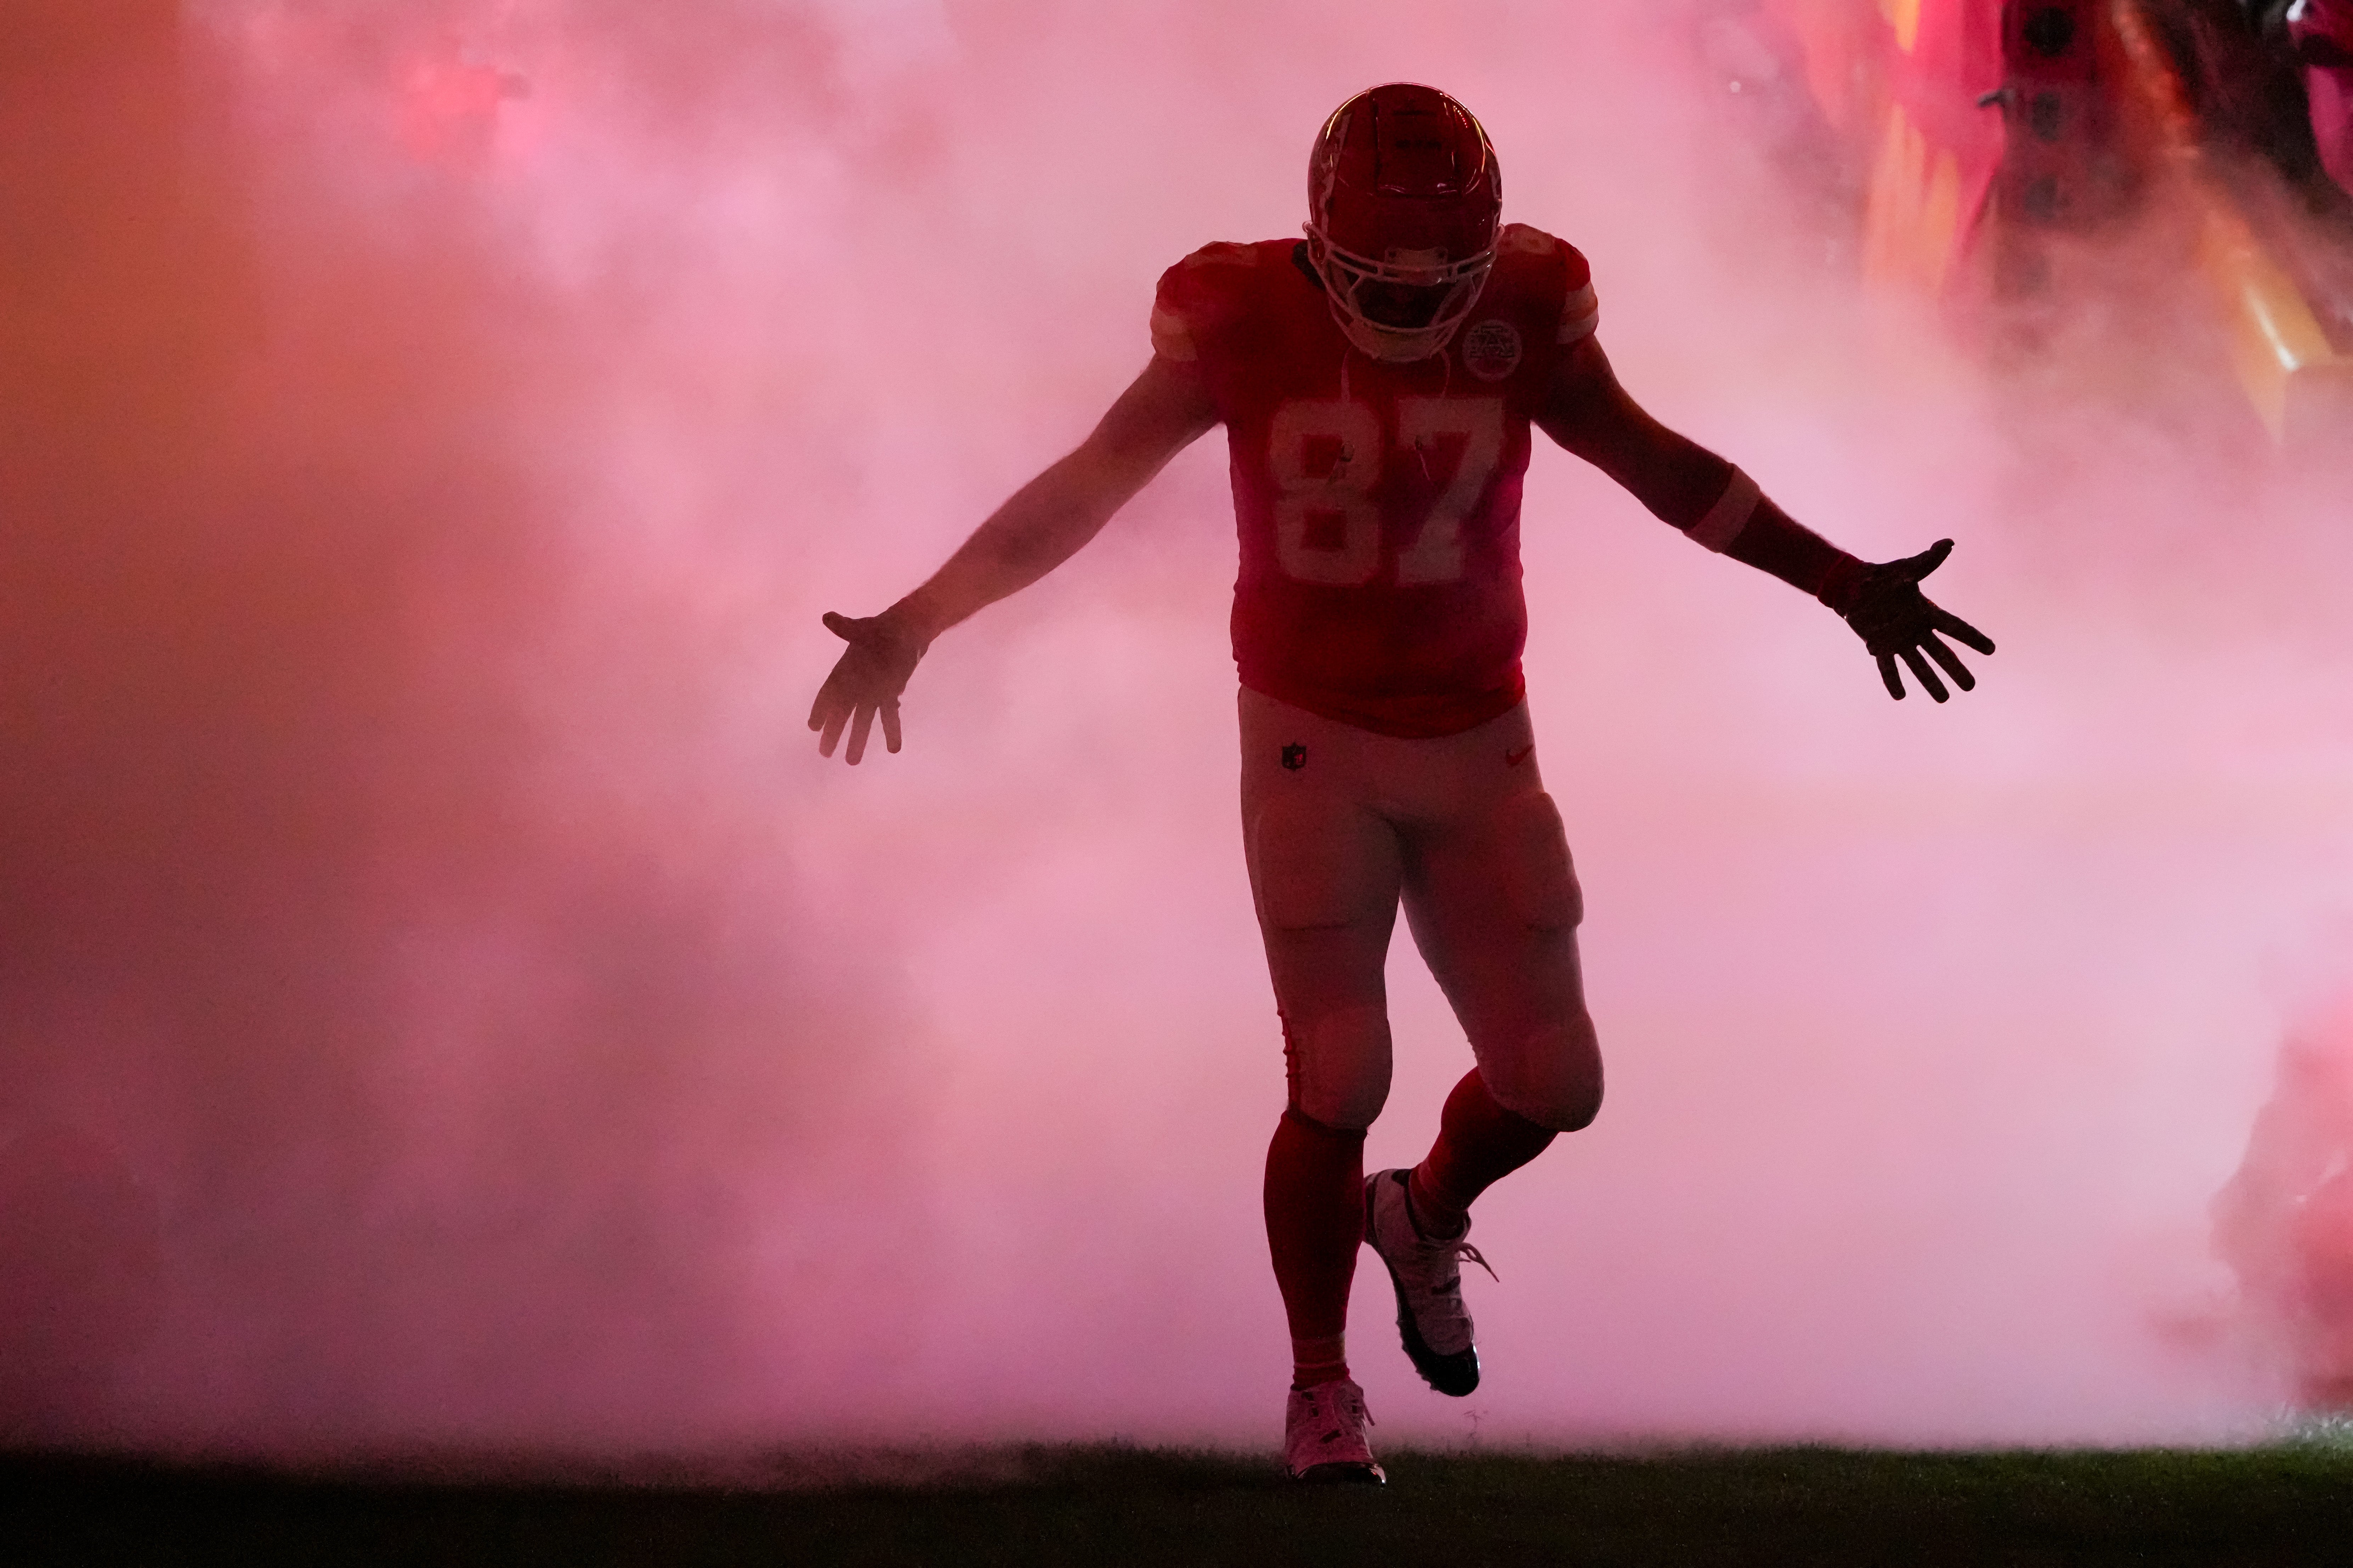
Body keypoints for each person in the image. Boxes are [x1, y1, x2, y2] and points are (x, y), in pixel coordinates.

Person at [809, 83, 1994, 1483]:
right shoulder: (1239, 316)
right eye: (1387, 277)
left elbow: (1665, 471)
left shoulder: (1533, 305)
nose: (1424, 303)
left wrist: (1844, 583)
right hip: (1310, 733)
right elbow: (1084, 492)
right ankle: (1321, 1390)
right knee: (1340, 1065)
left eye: (1449, 277)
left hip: (1482, 733)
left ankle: (1420, 1214)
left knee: (1557, 1084)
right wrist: (914, 621)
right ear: (1318, 244)